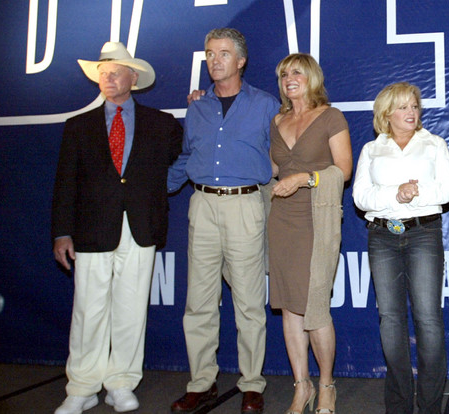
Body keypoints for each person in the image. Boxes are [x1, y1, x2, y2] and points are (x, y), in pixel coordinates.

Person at [51, 41, 183, 414]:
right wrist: (62, 231)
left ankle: (122, 382)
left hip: (140, 228)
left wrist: (199, 104)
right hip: (91, 230)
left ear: (134, 77)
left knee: (130, 309)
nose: (108, 77)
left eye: (115, 71)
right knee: (88, 309)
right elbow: (65, 182)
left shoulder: (162, 125)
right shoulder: (78, 127)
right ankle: (82, 386)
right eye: (102, 73)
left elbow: (185, 157)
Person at [167, 28, 279, 414]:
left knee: (248, 301)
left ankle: (251, 384)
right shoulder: (196, 107)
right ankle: (202, 383)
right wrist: (151, 190)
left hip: (245, 204)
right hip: (202, 206)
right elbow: (187, 158)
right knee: (199, 301)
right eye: (210, 53)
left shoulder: (266, 105)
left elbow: (282, 156)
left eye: (224, 53)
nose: (215, 60)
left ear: (241, 61)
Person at [353, 82, 449, 414]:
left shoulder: (434, 144)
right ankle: (398, 404)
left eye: (414, 105)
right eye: (402, 107)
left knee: (428, 318)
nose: (411, 112)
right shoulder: (372, 149)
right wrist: (393, 195)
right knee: (390, 319)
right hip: (382, 235)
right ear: (386, 114)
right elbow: (360, 196)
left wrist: (415, 193)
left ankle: (429, 405)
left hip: (424, 233)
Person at [269, 53, 352, 414]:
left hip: (316, 219)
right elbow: (274, 170)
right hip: (282, 220)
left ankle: (326, 385)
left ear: (312, 78)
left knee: (315, 306)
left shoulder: (331, 116)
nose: (290, 78)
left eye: (297, 73)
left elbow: (344, 170)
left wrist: (306, 178)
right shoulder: (276, 120)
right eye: (284, 74)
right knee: (290, 307)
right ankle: (301, 386)